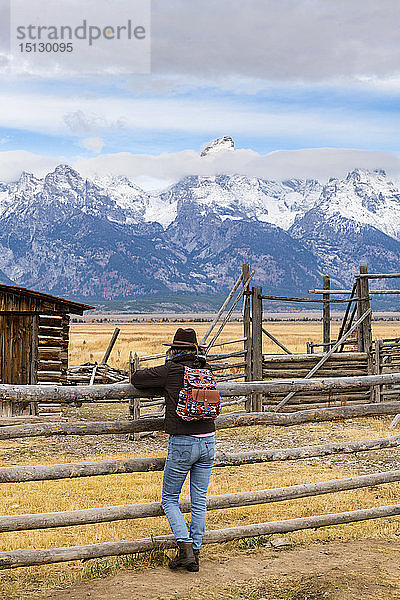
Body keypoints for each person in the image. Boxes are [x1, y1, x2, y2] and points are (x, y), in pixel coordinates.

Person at [132, 328, 216, 573]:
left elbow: (137, 379)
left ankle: (186, 549)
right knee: (199, 498)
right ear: (195, 350)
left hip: (182, 442)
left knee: (169, 499)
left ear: (174, 350)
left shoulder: (171, 370)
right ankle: (196, 552)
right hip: (209, 440)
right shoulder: (205, 369)